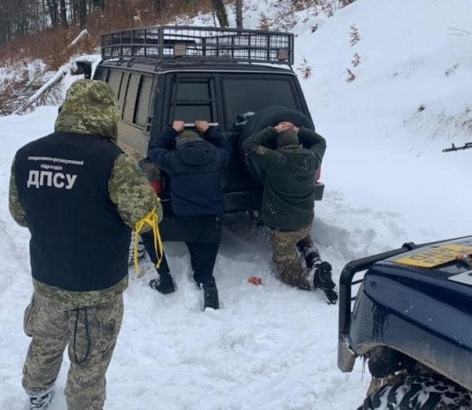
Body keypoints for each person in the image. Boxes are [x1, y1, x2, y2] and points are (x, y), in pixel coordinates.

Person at [9, 80, 160, 410]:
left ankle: (37, 394)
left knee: (45, 340)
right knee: (90, 360)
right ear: (108, 114)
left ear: (68, 109)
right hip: (97, 284)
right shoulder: (114, 161)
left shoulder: (27, 155)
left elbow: (20, 214)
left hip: (48, 276)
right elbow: (147, 216)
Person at [242, 121, 337, 304]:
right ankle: (313, 258)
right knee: (302, 237)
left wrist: (274, 130)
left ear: (278, 146)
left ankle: (313, 279)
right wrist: (298, 129)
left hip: (283, 226)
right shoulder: (313, 158)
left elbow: (248, 145)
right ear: (298, 142)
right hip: (305, 220)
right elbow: (321, 142)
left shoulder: (276, 160)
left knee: (287, 269)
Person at [144, 119, 230, 309]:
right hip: (212, 227)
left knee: (147, 230)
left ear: (180, 143)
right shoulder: (217, 156)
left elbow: (154, 149)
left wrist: (172, 130)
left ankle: (165, 279)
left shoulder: (174, 159)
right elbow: (226, 147)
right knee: (203, 272)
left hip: (184, 225)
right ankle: (207, 285)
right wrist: (209, 131)